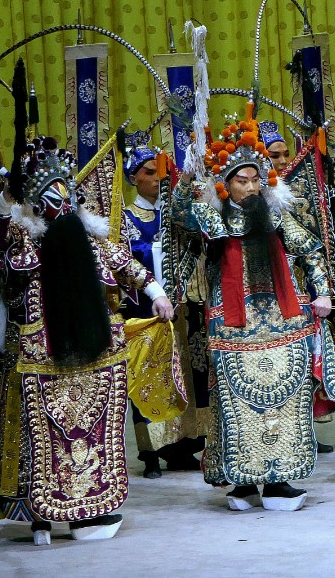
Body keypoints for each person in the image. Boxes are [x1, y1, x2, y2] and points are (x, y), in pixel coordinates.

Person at [0, 92, 171, 545]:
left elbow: (126, 264)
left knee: (92, 431)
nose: (61, 207)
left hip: (95, 350)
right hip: (39, 352)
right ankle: (42, 514)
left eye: (66, 199)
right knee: (40, 435)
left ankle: (89, 510)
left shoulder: (90, 241)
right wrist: (4, 203)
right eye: (52, 200)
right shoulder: (22, 240)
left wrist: (157, 293)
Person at [163, 109, 335, 511]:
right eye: (241, 181)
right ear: (226, 185)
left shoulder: (275, 214)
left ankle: (277, 481)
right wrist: (188, 175)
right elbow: (177, 213)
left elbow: (310, 250)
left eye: (256, 179)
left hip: (283, 322)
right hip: (232, 326)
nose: (251, 187)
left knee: (284, 400)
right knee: (235, 405)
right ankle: (242, 484)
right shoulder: (213, 216)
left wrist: (323, 293)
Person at [120, 140, 205, 477]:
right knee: (149, 375)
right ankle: (151, 451)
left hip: (183, 307)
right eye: (148, 172)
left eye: (160, 173)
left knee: (187, 373)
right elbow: (126, 264)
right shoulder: (126, 219)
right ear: (134, 178)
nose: (157, 179)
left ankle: (184, 446)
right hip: (145, 309)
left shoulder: (175, 214)